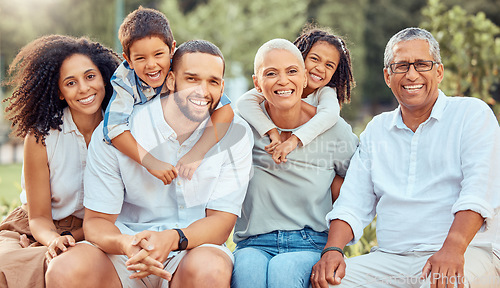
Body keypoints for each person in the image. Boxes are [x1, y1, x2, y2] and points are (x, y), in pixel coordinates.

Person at [45, 39, 253, 288]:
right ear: (172, 80)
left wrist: (171, 239)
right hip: (124, 251)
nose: (202, 91)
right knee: (65, 269)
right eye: (192, 79)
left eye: (213, 82)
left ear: (222, 87)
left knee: (211, 268)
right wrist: (126, 245)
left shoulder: (235, 132)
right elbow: (97, 222)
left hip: (192, 249)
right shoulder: (118, 133)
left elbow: (221, 223)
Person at [311, 27, 500, 288]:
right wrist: (332, 250)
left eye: (422, 64)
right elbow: (353, 202)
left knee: (441, 283)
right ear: (388, 76)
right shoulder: (377, 130)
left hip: (469, 252)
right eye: (401, 66)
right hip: (392, 260)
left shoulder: (471, 115)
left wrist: (452, 249)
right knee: (327, 283)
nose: (412, 74)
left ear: (439, 72)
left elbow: (478, 192)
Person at [231, 39, 359, 288]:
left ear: (303, 77)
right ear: (257, 83)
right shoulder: (245, 125)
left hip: (309, 239)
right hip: (253, 241)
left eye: (291, 71)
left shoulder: (332, 126)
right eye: (271, 73)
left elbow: (359, 186)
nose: (283, 80)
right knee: (248, 273)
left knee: (284, 271)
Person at [0, 35, 120, 287]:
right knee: (5, 265)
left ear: (104, 78)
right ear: (60, 92)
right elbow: (39, 217)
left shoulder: (121, 132)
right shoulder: (41, 136)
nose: (84, 89)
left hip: (95, 232)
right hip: (34, 228)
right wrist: (51, 239)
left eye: (90, 76)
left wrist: (69, 238)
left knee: (67, 268)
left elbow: (117, 214)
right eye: (70, 83)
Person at [104, 6, 234, 183]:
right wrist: (151, 162)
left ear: (172, 49)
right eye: (141, 58)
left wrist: (196, 153)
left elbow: (225, 110)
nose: (151, 65)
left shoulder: (183, 68)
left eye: (158, 54)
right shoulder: (124, 80)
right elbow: (114, 128)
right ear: (128, 60)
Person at [236, 25, 354, 164]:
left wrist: (294, 140)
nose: (320, 68)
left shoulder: (325, 92)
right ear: (301, 57)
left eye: (329, 65)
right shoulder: (279, 86)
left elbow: (331, 114)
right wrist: (271, 131)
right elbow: (244, 102)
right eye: (315, 59)